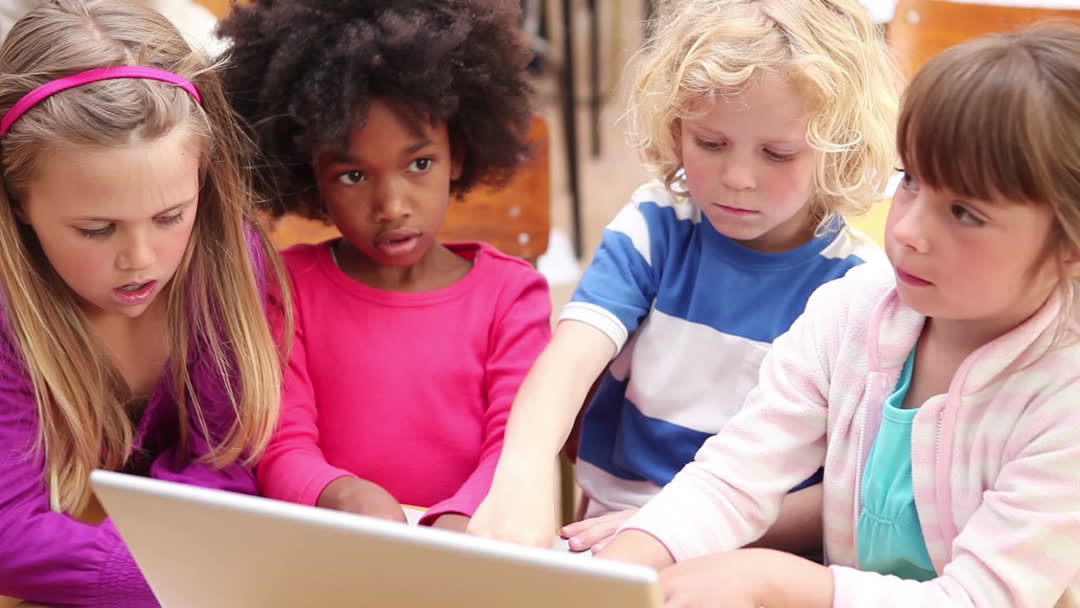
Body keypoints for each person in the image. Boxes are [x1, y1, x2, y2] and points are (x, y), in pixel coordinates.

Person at [599, 22, 1080, 608]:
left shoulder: (1065, 400)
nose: (907, 231)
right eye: (912, 181)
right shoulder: (851, 309)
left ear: (1070, 247)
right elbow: (734, 476)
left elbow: (982, 600)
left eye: (964, 213)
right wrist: (616, 573)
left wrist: (775, 581)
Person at [471, 0, 900, 550]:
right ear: (676, 128)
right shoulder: (656, 229)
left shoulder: (859, 288)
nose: (738, 177)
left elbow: (849, 493)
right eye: (711, 143)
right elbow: (568, 362)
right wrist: (523, 471)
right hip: (606, 534)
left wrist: (674, 529)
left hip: (750, 551)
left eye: (777, 153)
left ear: (840, 145)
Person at [219, 0, 551, 530]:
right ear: (311, 176)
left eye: (419, 164)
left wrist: (458, 524)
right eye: (353, 176)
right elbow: (281, 445)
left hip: (472, 550)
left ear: (458, 155)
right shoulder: (287, 287)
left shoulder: (512, 296)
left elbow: (518, 448)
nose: (392, 206)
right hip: (338, 546)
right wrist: (344, 496)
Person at [0, 0, 291, 605]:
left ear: (203, 178)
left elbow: (224, 462)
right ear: (19, 203)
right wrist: (168, 576)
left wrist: (191, 562)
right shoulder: (9, 311)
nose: (140, 259)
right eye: (96, 229)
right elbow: (8, 530)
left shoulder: (224, 262)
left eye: (169, 216)